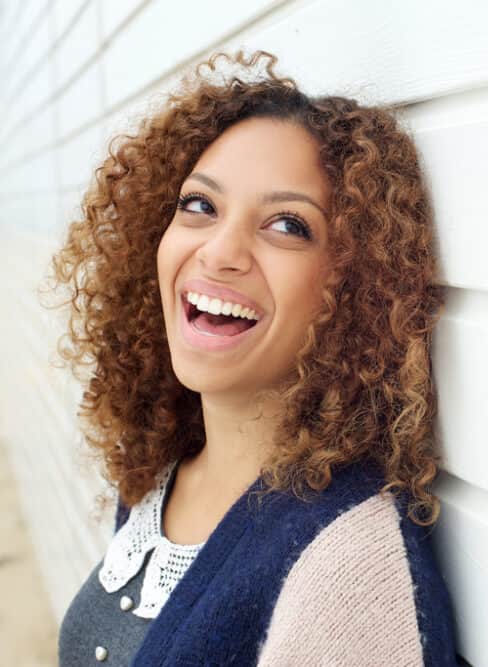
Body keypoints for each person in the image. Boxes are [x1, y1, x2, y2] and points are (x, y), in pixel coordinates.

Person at [50, 49, 457, 666]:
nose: (219, 252)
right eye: (200, 206)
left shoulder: (347, 562)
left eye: (288, 225)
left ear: (352, 287)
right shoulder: (159, 472)